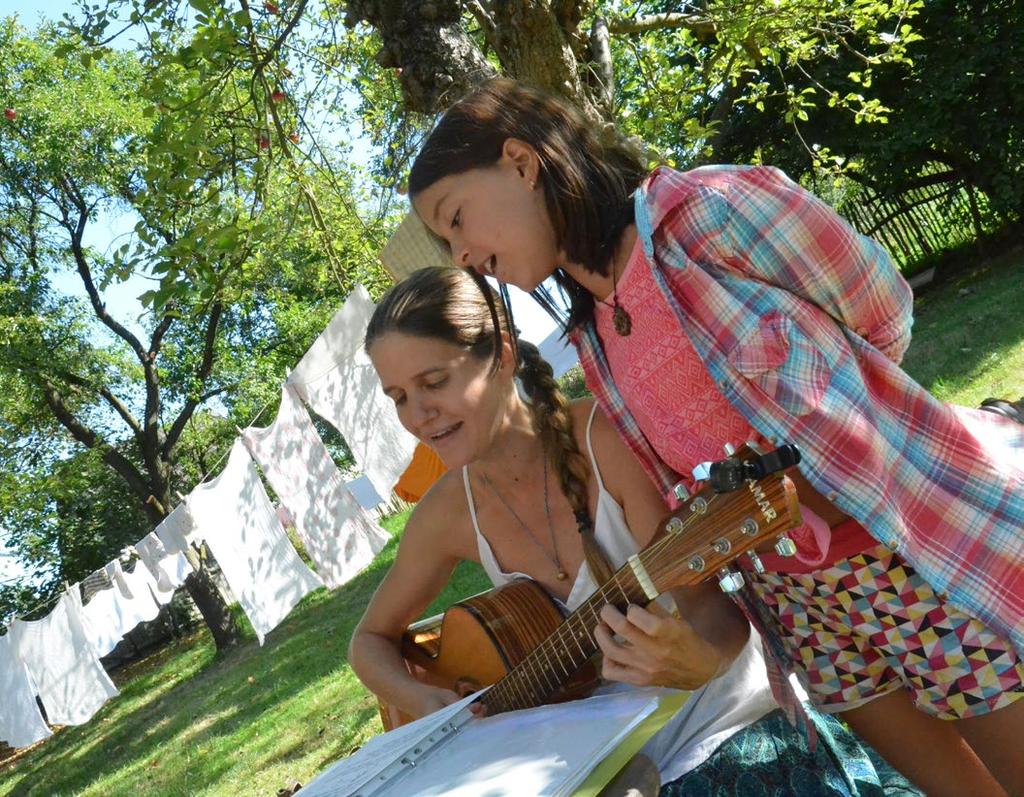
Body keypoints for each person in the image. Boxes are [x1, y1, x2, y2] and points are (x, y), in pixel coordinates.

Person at [405, 78, 1024, 797]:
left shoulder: (704, 215)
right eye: (445, 240)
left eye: (456, 219)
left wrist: (848, 433)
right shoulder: (595, 344)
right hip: (806, 616)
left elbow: (882, 307)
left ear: (520, 162)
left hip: (908, 552)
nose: (460, 255)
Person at [350, 266, 919, 796]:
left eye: (434, 382)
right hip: (594, 777)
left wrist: (702, 659)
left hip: (726, 735)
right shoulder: (446, 512)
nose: (418, 414)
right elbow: (368, 641)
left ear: (499, 356)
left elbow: (712, 610)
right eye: (399, 397)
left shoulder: (608, 440)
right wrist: (423, 700)